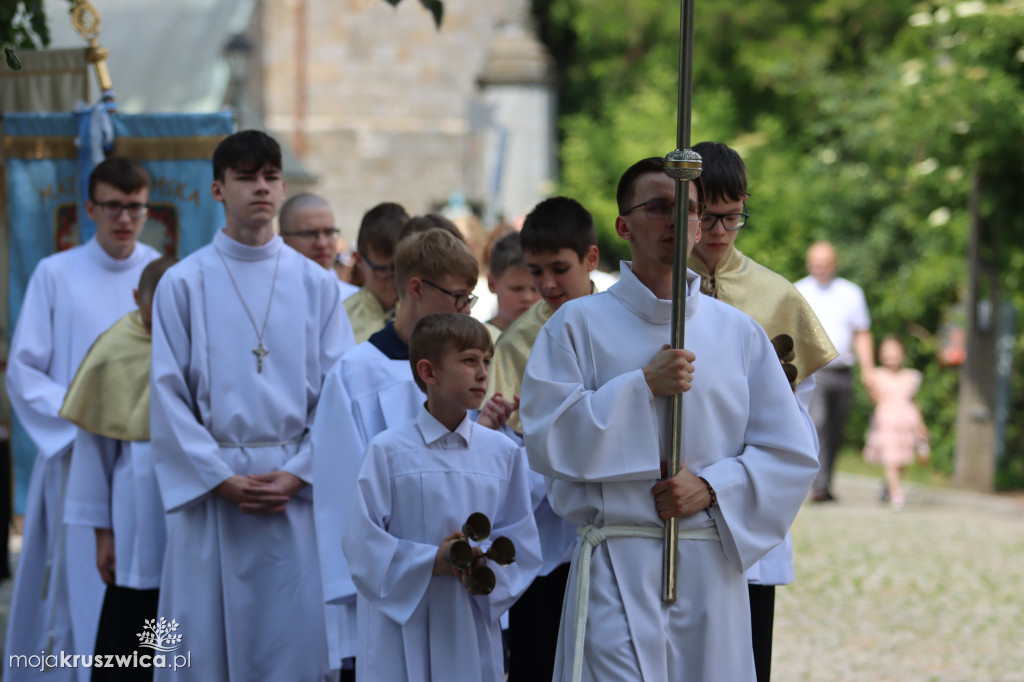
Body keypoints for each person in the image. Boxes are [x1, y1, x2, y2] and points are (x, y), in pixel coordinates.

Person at [520, 157, 819, 681]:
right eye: (659, 207)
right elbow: (548, 439)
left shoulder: (739, 334)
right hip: (615, 560)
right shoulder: (576, 326)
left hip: (708, 568)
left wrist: (712, 486)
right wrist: (641, 389)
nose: (676, 220)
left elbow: (790, 452)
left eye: (691, 209)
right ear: (623, 226)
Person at [149, 130, 354, 681]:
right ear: (218, 189)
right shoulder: (184, 283)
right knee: (203, 648)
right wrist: (218, 478)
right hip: (215, 494)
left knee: (292, 644)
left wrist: (297, 473)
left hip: (292, 494)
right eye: (245, 177)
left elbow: (340, 397)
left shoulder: (319, 286)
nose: (260, 188)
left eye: (270, 176)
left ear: (283, 184)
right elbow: (166, 394)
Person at [3, 158, 161, 682]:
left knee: (147, 585)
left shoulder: (164, 272)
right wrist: (86, 423)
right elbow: (25, 370)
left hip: (146, 462)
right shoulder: (57, 273)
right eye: (113, 206)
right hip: (76, 455)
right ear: (90, 208)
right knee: (80, 580)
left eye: (135, 206)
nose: (125, 218)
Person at [688, 141, 837, 682]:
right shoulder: (650, 287)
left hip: (745, 507)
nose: (718, 232)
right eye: (706, 217)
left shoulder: (778, 297)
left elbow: (797, 422)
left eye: (732, 218)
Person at [313, 227, 481, 674]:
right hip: (388, 586)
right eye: (458, 297)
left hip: (462, 587)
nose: (464, 310)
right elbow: (341, 497)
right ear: (416, 288)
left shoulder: (469, 366)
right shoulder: (354, 374)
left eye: (470, 299)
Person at [341, 312, 542, 681]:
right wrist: (433, 560)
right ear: (428, 372)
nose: (483, 372)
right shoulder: (388, 451)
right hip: (402, 621)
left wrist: (485, 568)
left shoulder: (502, 453)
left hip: (468, 616)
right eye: (469, 360)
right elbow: (361, 542)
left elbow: (521, 543)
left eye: (486, 360)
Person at [482, 196, 599, 681]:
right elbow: (516, 447)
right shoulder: (515, 342)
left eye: (559, 269)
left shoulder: (621, 319)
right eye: (536, 272)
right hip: (548, 536)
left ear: (590, 259)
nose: (546, 285)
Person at [61, 255, 176, 681]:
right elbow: (94, 451)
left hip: (199, 513)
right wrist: (102, 532)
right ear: (136, 300)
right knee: (139, 615)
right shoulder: (114, 349)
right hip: (137, 515)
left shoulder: (206, 343)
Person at [795, 240, 874, 502]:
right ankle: (816, 484)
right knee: (818, 422)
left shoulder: (851, 293)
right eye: (815, 263)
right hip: (814, 369)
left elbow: (861, 333)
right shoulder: (799, 290)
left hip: (843, 370)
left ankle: (825, 482)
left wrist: (869, 370)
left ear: (834, 264)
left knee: (837, 427)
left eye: (824, 263)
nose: (820, 268)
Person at [862, 336, 929, 511]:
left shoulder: (910, 377)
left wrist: (921, 425)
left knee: (903, 459)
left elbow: (914, 401)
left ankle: (889, 485)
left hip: (906, 422)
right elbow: (872, 399)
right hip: (886, 421)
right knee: (890, 458)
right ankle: (897, 494)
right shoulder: (877, 375)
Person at [345, 202, 410, 343]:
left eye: (400, 269)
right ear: (359, 260)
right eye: (383, 270)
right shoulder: (342, 319)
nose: (394, 281)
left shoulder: (422, 312)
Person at [279, 192, 360, 300]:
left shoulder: (355, 303)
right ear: (283, 239)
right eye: (310, 234)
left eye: (328, 232)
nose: (322, 244)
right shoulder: (268, 300)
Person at [483, 232, 540, 343]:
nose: (527, 297)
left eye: (536, 289)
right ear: (492, 284)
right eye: (516, 289)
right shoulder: (477, 341)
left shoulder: (554, 339)